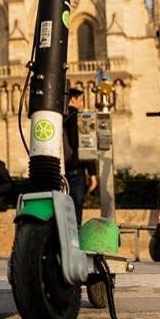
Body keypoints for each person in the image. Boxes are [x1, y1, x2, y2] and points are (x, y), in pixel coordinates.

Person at [62, 88, 98, 225]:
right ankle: (74, 240)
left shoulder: (56, 119)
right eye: (81, 100)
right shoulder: (84, 119)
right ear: (73, 99)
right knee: (76, 208)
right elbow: (87, 149)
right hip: (77, 170)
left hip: (60, 171)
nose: (82, 104)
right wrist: (93, 175)